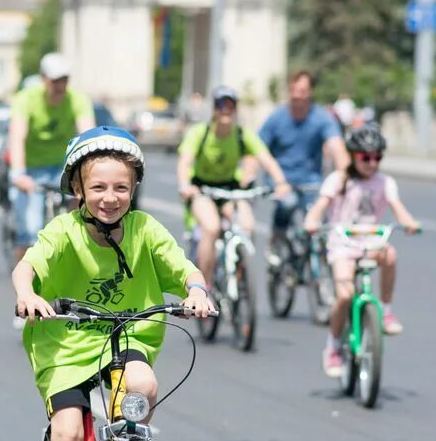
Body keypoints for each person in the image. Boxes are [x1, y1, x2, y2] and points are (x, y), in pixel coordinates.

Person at [12, 126, 214, 441]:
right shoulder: (63, 230)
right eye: (98, 187)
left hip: (125, 335)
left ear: (134, 188)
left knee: (142, 386)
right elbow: (28, 266)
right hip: (65, 343)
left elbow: (183, 268)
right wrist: (28, 294)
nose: (110, 197)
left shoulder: (144, 229)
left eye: (121, 187)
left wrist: (196, 290)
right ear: (78, 188)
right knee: (66, 432)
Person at [304, 124, 421, 375]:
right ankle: (333, 347)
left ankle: (386, 311)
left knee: (390, 254)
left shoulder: (385, 182)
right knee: (345, 296)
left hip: (371, 241)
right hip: (342, 243)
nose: (371, 162)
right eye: (365, 157)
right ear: (353, 156)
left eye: (377, 157)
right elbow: (321, 204)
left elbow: (397, 207)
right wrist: (312, 221)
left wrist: (408, 222)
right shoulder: (338, 180)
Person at [177, 85, 292, 289]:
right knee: (212, 228)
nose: (226, 110)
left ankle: (240, 272)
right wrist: (185, 185)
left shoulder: (242, 134)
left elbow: (266, 159)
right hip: (202, 188)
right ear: (214, 108)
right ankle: (205, 285)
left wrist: (281, 183)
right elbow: (185, 161)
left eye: (231, 106)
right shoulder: (199, 133)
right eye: (221, 105)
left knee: (247, 225)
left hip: (230, 188)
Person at [6, 52, 95, 268]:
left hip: (62, 167)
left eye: (64, 80)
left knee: (84, 207)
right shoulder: (26, 99)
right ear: (43, 78)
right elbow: (17, 137)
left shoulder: (77, 99)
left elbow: (88, 135)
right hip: (31, 169)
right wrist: (18, 173)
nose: (60, 86)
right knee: (30, 228)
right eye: (55, 80)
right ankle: (24, 286)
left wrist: (91, 171)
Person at [258, 70, 347, 238]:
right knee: (288, 204)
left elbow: (337, 147)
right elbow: (257, 149)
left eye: (302, 91)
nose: (297, 96)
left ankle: (316, 255)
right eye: (293, 90)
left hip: (310, 180)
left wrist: (344, 175)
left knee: (317, 217)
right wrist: (248, 176)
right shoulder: (277, 118)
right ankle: (276, 241)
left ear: (310, 92)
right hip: (282, 180)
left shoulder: (322, 118)